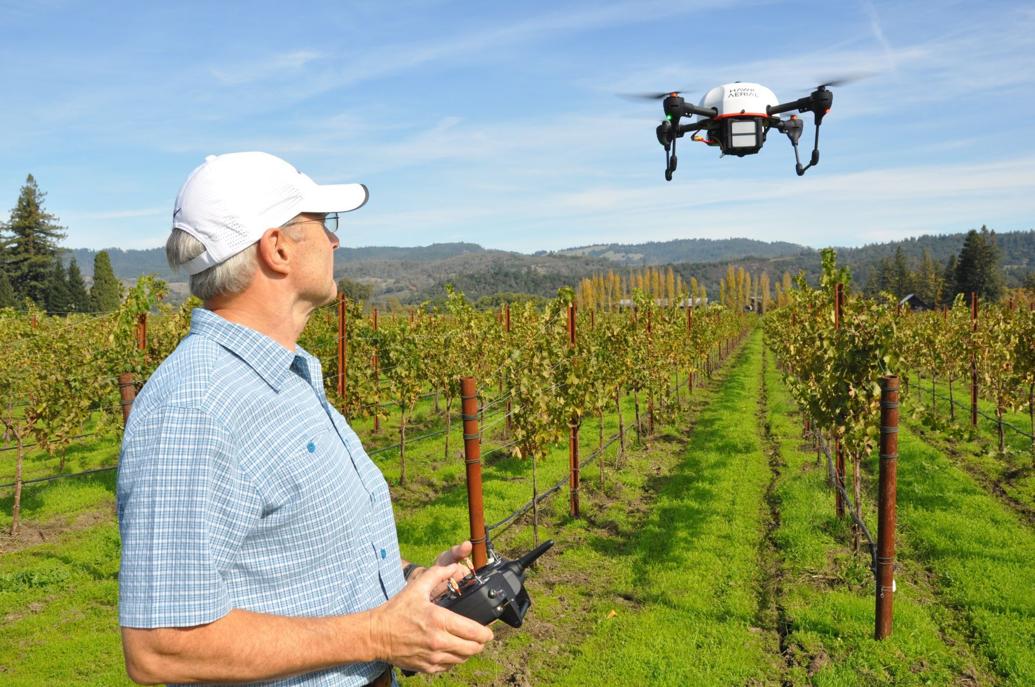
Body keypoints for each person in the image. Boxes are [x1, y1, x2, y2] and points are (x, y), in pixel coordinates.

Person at [116, 152, 493, 687]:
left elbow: (294, 563)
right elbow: (162, 650)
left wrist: (408, 587)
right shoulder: (194, 407)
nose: (336, 242)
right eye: (324, 224)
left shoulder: (286, 377)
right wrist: (378, 635)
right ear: (277, 248)